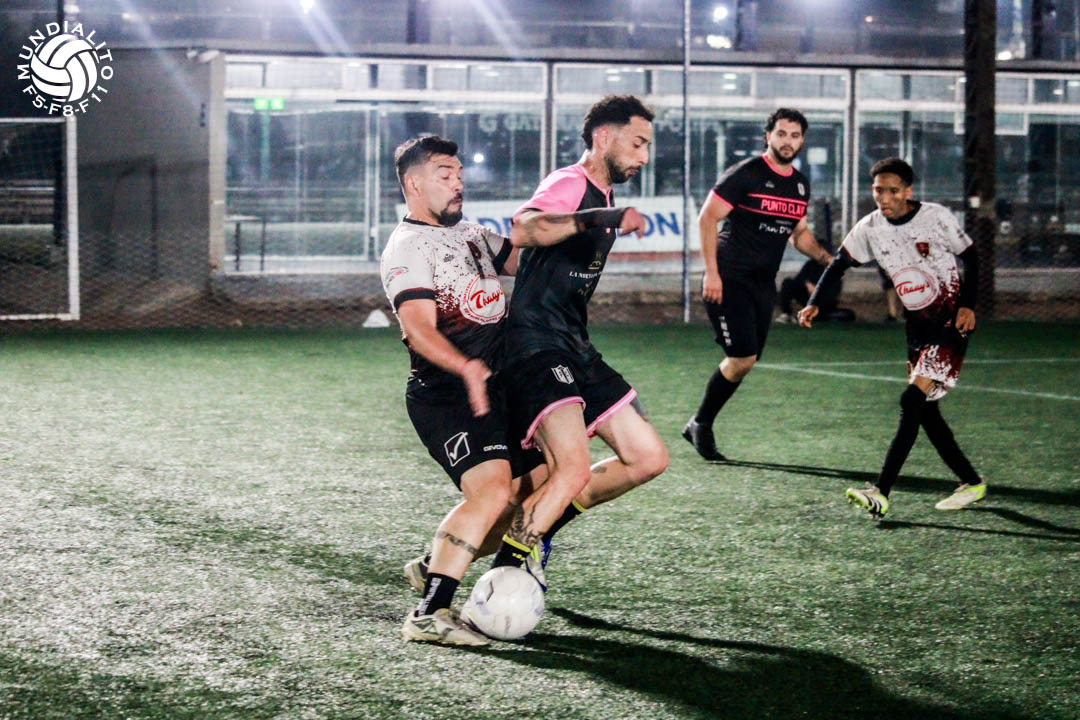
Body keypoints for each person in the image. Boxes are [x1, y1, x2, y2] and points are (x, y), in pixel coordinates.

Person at [486, 94, 670, 576]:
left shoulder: (603, 196)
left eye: (648, 146)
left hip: (575, 346)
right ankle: (504, 576)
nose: (644, 157)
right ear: (603, 137)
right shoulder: (570, 182)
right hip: (536, 344)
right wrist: (601, 218)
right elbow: (524, 229)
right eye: (637, 143)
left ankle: (524, 536)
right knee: (567, 471)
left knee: (647, 457)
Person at [381, 135, 545, 646]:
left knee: (536, 485)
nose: (458, 184)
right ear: (414, 184)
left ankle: (436, 561)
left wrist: (575, 227)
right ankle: (429, 613)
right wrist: (467, 368)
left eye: (459, 174)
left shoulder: (470, 233)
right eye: (445, 175)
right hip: (448, 393)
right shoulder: (408, 247)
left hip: (498, 387)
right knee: (492, 491)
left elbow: (523, 261)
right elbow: (418, 330)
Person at [798, 157, 986, 518]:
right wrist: (814, 302)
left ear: (908, 191)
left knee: (911, 398)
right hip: (918, 327)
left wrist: (968, 305)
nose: (884, 197)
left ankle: (881, 492)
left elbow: (972, 256)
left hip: (950, 321)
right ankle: (971, 481)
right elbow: (838, 264)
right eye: (878, 190)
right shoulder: (870, 227)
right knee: (925, 409)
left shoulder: (936, 217)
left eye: (893, 191)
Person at [683, 108, 834, 461]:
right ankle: (701, 423)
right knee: (743, 357)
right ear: (768, 136)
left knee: (745, 360)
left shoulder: (800, 184)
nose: (787, 141)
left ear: (802, 140)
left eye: (795, 136)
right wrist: (711, 273)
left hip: (763, 284)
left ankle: (699, 423)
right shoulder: (747, 173)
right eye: (781, 134)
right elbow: (707, 217)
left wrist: (826, 257)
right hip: (729, 277)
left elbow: (799, 234)